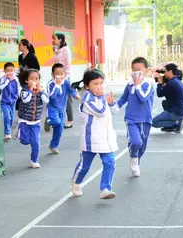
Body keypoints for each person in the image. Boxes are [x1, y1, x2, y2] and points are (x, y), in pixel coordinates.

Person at [71, 69, 118, 199]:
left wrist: (111, 102)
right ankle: (76, 183)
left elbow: (114, 110)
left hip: (106, 138)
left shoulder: (103, 96)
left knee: (110, 162)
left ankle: (105, 188)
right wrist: (104, 98)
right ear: (87, 86)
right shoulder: (87, 100)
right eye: (95, 83)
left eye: (101, 83)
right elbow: (100, 111)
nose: (99, 86)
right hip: (91, 139)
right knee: (84, 165)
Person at [107, 57, 154, 177]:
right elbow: (123, 99)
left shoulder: (149, 84)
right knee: (136, 142)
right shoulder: (129, 84)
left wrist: (137, 85)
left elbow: (143, 98)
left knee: (142, 146)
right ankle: (133, 158)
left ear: (146, 71)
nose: (136, 73)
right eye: (134, 70)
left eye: (139, 70)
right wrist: (112, 103)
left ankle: (136, 161)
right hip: (131, 119)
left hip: (145, 120)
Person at [44, 63, 80, 154]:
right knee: (56, 121)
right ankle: (48, 120)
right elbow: (51, 96)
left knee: (59, 130)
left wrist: (75, 95)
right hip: (52, 108)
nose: (60, 76)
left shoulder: (66, 82)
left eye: (62, 73)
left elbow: (71, 90)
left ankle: (53, 146)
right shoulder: (50, 84)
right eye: (57, 73)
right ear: (52, 75)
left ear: (64, 74)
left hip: (62, 109)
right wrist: (57, 85)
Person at [17, 67, 49, 168]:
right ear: (27, 81)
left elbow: (46, 101)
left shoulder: (41, 90)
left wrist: (41, 91)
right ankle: (19, 131)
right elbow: (26, 100)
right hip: (24, 121)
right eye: (32, 79)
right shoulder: (24, 91)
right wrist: (31, 89)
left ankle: (34, 160)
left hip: (35, 121)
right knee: (25, 141)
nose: (35, 81)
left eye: (37, 79)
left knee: (36, 142)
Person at [152, 63, 183, 133]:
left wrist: (159, 83)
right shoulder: (176, 80)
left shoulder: (171, 83)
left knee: (154, 122)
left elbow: (159, 94)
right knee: (164, 102)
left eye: (165, 71)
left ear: (170, 72)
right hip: (182, 111)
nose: (164, 74)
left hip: (177, 112)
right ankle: (172, 126)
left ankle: (176, 123)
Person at [52, 33, 74, 129]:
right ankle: (55, 119)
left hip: (64, 77)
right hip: (56, 77)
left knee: (67, 99)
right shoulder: (57, 50)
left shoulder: (66, 51)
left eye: (55, 38)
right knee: (56, 97)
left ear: (60, 40)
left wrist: (65, 77)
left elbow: (68, 65)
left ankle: (70, 120)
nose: (54, 40)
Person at [0, 62, 21, 140]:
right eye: (8, 70)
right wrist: (7, 80)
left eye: (11, 70)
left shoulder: (16, 80)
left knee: (12, 118)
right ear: (4, 71)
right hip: (4, 102)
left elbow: (18, 88)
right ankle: (7, 133)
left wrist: (19, 96)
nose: (10, 72)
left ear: (14, 71)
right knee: (7, 116)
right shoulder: (3, 79)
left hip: (13, 102)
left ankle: (8, 129)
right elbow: (1, 87)